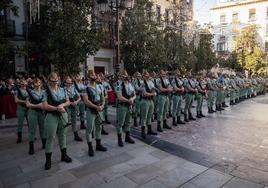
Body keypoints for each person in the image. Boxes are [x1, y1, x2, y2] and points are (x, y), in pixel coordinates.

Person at [42, 72, 72, 170]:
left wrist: (62, 105)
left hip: (63, 115)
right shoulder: (45, 92)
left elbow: (68, 101)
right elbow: (45, 106)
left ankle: (64, 155)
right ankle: (48, 160)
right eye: (52, 80)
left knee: (62, 136)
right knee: (50, 138)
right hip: (51, 116)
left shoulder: (63, 90)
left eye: (56, 80)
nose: (55, 82)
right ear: (49, 81)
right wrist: (56, 108)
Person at [82, 70, 107, 157]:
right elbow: (86, 101)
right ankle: (90, 148)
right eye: (92, 75)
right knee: (89, 129)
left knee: (99, 127)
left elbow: (103, 97)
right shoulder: (85, 88)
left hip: (100, 110)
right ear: (88, 77)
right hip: (91, 111)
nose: (94, 76)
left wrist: (102, 106)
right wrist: (96, 107)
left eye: (94, 74)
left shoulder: (100, 86)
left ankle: (98, 145)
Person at [116, 70, 136, 147]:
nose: (125, 77)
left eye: (126, 75)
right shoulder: (119, 86)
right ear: (121, 77)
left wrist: (132, 99)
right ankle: (119, 139)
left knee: (128, 122)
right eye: (123, 76)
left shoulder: (131, 85)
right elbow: (119, 97)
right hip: (122, 106)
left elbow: (134, 95)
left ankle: (127, 137)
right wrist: (128, 100)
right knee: (120, 123)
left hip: (129, 106)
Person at [26, 78, 46, 155]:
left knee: (43, 129)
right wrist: (37, 105)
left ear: (41, 83)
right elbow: (27, 104)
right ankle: (31, 147)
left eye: (39, 83)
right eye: (36, 83)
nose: (37, 84)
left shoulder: (44, 92)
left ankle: (44, 144)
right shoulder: (30, 92)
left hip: (41, 112)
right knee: (32, 130)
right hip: (32, 112)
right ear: (33, 84)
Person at [140, 71, 157, 139]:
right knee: (144, 117)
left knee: (150, 116)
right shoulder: (142, 83)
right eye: (145, 75)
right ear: (143, 76)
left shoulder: (150, 82)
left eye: (147, 75)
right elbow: (145, 93)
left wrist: (154, 91)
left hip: (150, 100)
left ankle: (149, 130)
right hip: (145, 100)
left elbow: (153, 88)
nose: (147, 76)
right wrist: (153, 94)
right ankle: (143, 132)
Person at [65, 77, 83, 142]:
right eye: (68, 83)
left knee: (74, 121)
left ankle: (76, 136)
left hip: (74, 106)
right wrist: (70, 103)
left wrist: (76, 102)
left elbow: (80, 97)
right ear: (65, 83)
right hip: (67, 107)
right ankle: (63, 137)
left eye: (70, 82)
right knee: (65, 122)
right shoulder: (63, 89)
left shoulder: (74, 89)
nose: (69, 84)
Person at [14, 79, 29, 143]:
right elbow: (16, 100)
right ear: (20, 84)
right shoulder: (17, 91)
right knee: (20, 123)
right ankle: (19, 137)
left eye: (24, 82)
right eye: (22, 83)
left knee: (30, 123)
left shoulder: (29, 90)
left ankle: (32, 135)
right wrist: (24, 101)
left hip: (28, 108)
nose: (23, 84)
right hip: (20, 108)